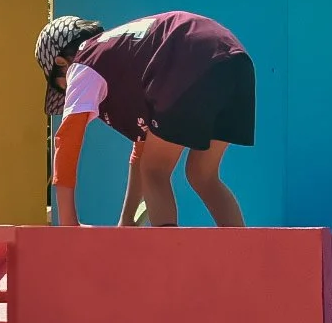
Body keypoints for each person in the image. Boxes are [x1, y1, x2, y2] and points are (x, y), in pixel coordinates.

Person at [34, 12, 254, 228]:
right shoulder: (122, 53)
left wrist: (68, 223)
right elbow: (142, 147)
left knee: (155, 171)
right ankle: (243, 257)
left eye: (60, 88)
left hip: (187, 56)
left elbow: (67, 139)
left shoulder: (83, 63)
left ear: (62, 63)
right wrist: (127, 220)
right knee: (202, 175)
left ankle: (168, 256)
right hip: (234, 61)